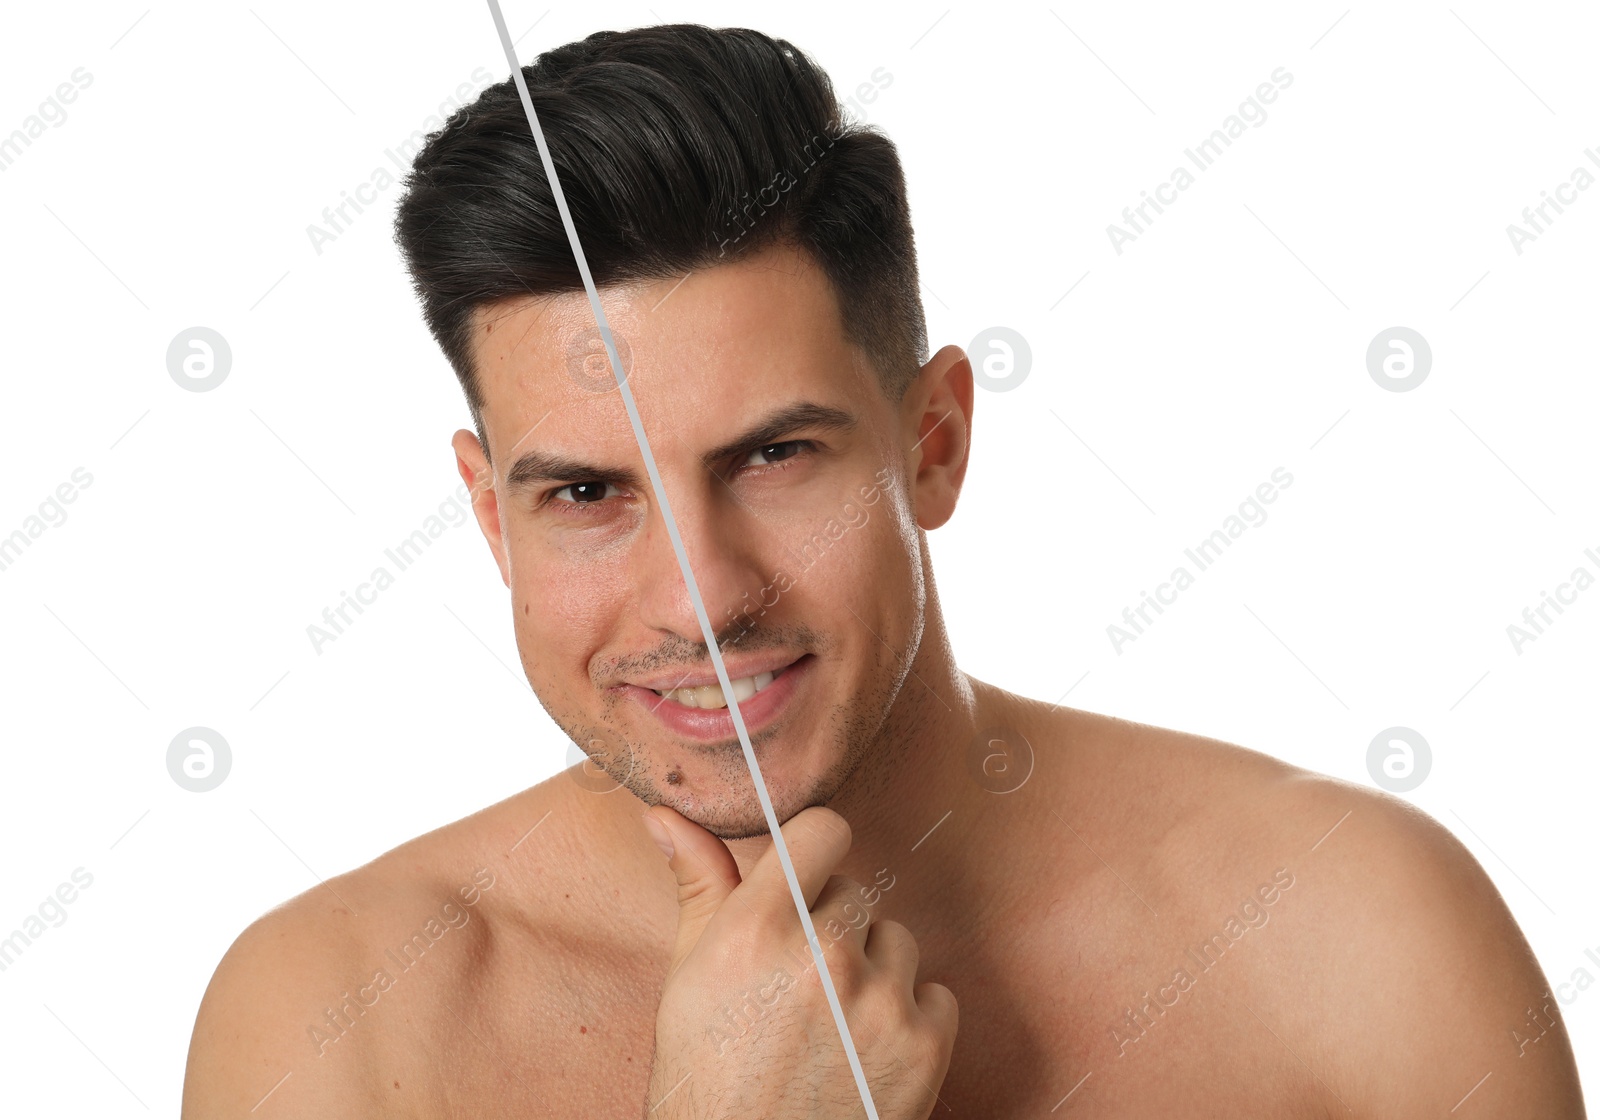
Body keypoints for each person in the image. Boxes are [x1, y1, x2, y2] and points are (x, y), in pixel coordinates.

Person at [181, 24, 1587, 1118]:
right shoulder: (342, 1021)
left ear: (934, 441)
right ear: (492, 517)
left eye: (774, 458)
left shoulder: (1351, 933)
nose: (699, 597)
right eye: (589, 493)